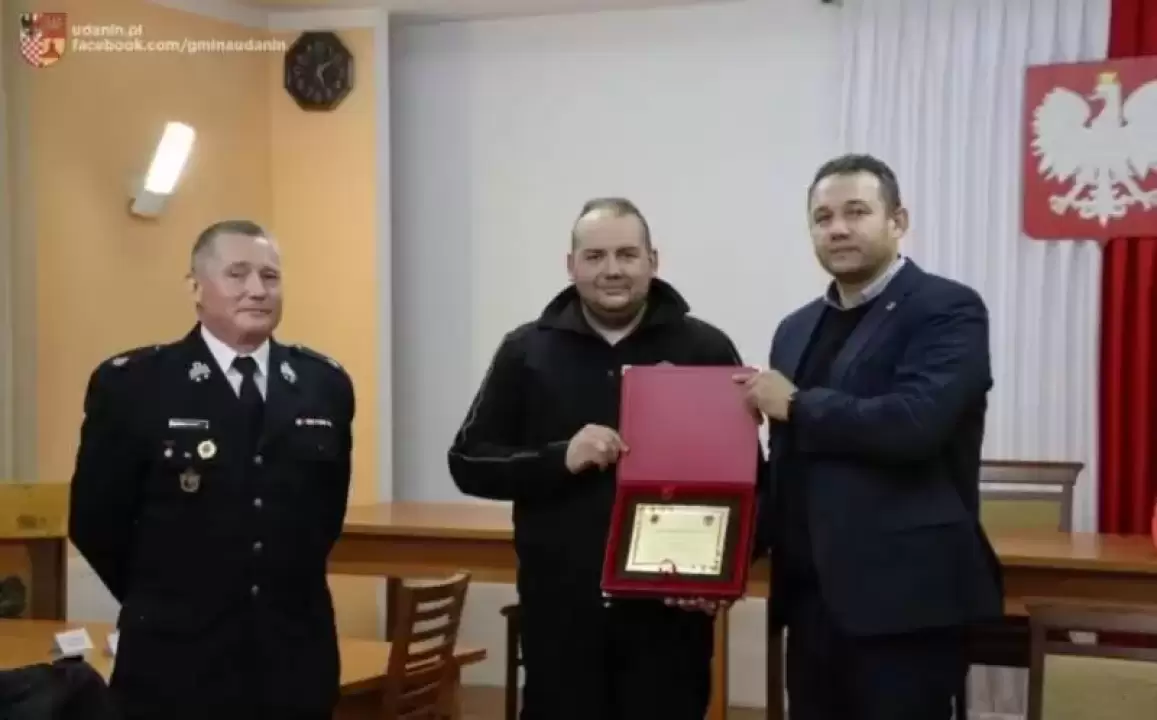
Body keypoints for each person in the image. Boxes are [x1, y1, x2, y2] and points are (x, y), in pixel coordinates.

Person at [447, 198, 750, 720]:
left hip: (670, 621)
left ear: (653, 260)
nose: (612, 269)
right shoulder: (525, 351)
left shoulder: (705, 348)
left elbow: (746, 479)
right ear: (571, 266)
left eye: (627, 254)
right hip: (561, 617)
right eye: (595, 256)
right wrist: (559, 459)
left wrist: (720, 579)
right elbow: (468, 463)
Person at [735, 154, 1003, 720]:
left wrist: (798, 405)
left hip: (906, 602)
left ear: (897, 220)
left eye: (856, 212)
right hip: (811, 600)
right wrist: (726, 553)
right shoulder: (794, 328)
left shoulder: (947, 309)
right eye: (823, 217)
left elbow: (915, 423)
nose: (837, 228)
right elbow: (787, 461)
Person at [68, 220, 355, 720]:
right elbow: (95, 522)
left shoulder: (322, 384)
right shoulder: (135, 385)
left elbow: (324, 516)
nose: (257, 290)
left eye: (270, 276)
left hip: (293, 658)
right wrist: (168, 597)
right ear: (196, 287)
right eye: (237, 274)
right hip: (175, 660)